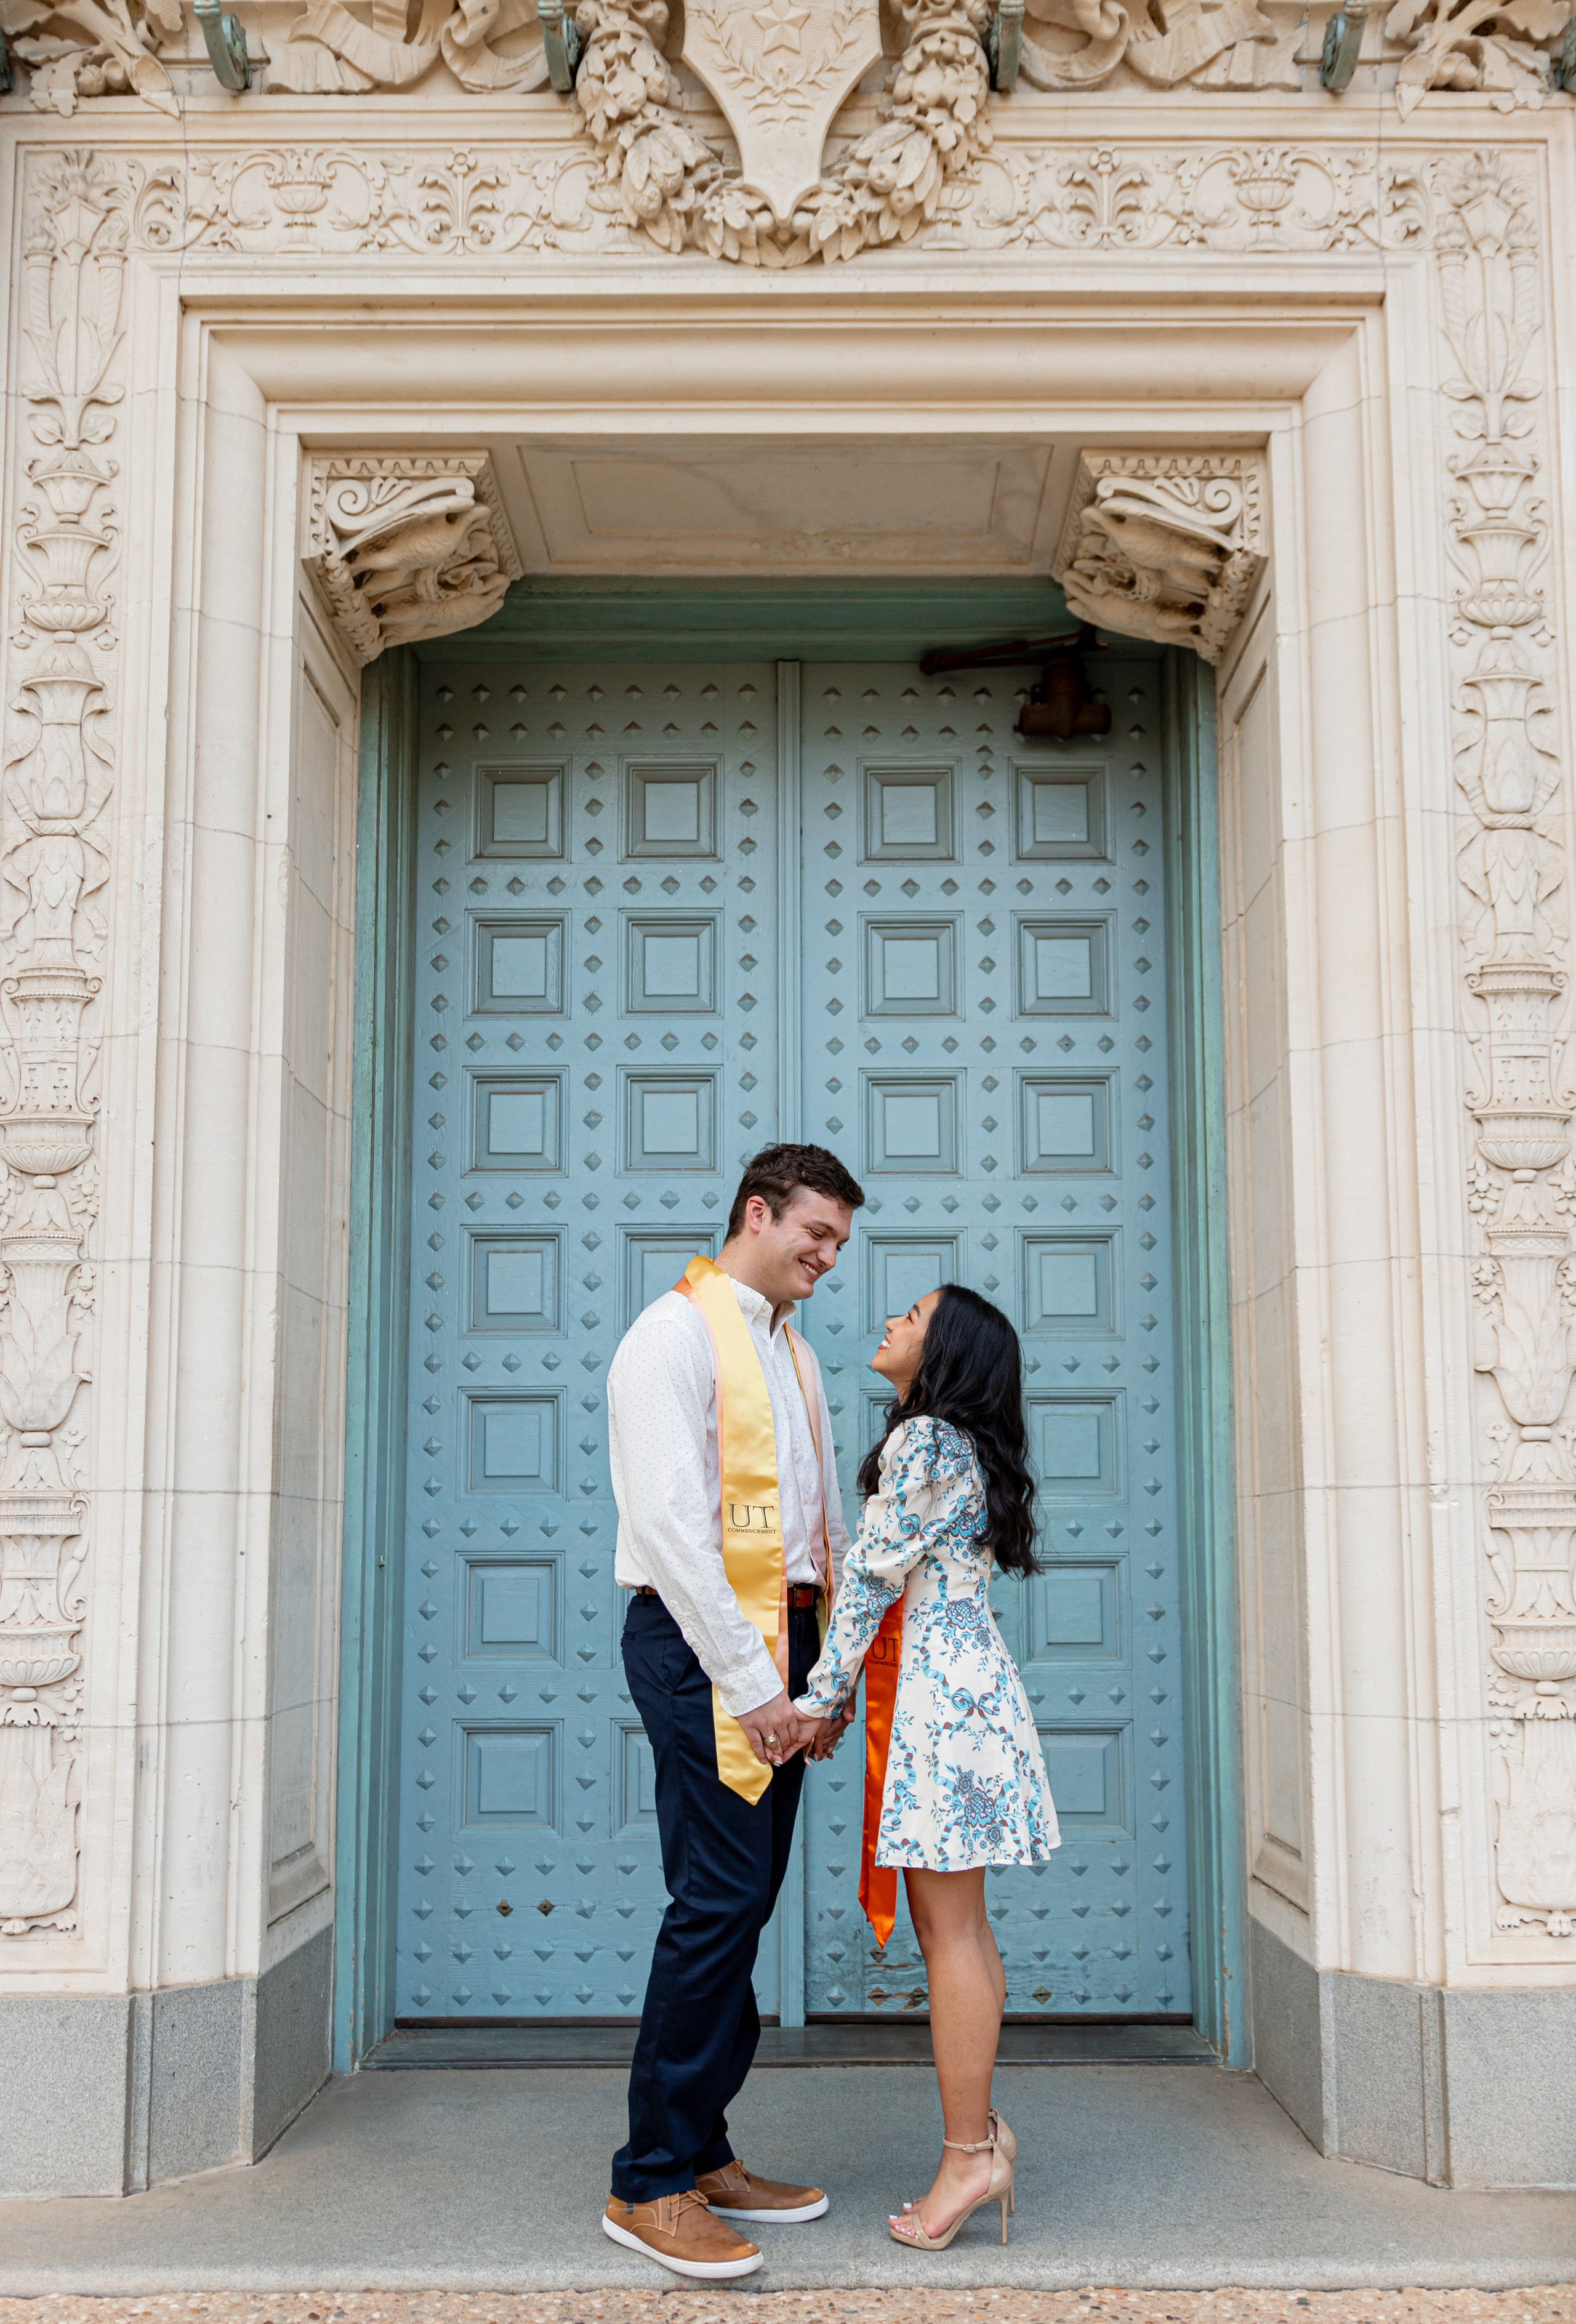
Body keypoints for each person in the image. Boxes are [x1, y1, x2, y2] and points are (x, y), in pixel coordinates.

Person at [602, 1142, 865, 2282]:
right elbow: (670, 1528)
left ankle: (704, 2148)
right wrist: (755, 1685)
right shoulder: (671, 1337)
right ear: (757, 1212)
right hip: (705, 1643)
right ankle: (648, 2179)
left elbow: (815, 1522)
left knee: (743, 1901)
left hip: (786, 1639)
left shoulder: (789, 1351)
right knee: (716, 1901)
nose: (827, 1256)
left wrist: (830, 1670)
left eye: (840, 1245)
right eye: (815, 1233)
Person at [794, 1284, 1059, 2251]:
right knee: (964, 1932)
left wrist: (820, 1701)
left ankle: (969, 2157)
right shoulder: (961, 1445)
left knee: (948, 1937)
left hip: (939, 1706)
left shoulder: (924, 1442)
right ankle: (978, 2141)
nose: (891, 1322)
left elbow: (867, 1584)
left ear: (944, 1350)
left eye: (911, 1315)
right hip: (965, 1694)